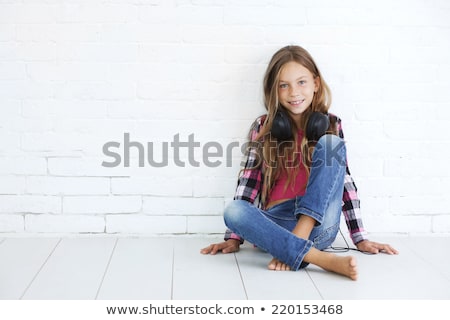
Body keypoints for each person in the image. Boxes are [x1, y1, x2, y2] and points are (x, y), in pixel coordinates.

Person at [200, 45, 398, 280]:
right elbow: (249, 182)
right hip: (275, 225)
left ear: (316, 84)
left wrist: (360, 237)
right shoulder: (263, 127)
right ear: (274, 90)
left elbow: (344, 183)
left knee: (332, 145)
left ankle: (297, 243)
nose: (294, 92)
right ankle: (320, 259)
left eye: (301, 82)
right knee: (233, 210)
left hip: (318, 227)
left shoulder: (332, 124)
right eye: (284, 85)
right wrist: (233, 238)